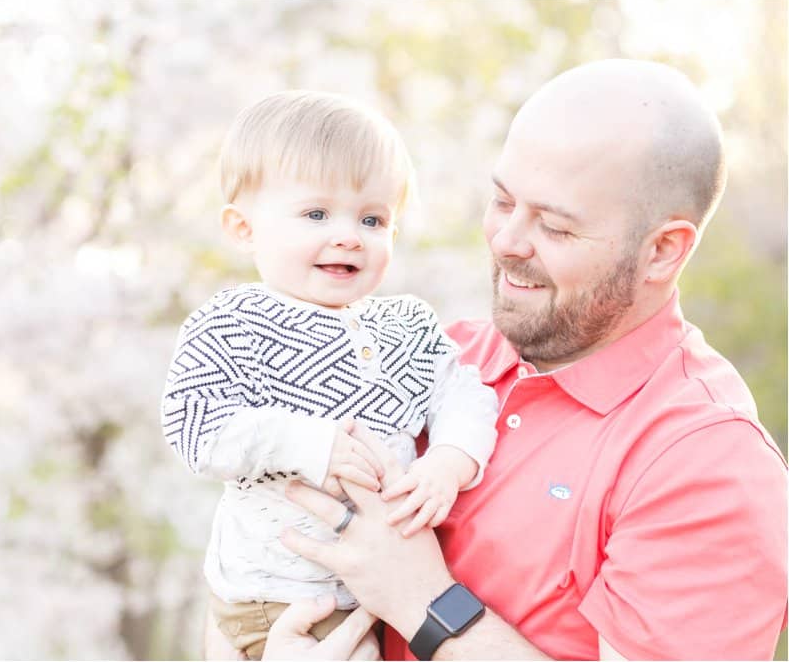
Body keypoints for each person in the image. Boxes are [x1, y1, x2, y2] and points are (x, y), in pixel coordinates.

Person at [205, 59, 789, 660]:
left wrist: (423, 600)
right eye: (503, 201)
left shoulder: (707, 465)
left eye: (556, 227)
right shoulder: (433, 355)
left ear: (663, 250)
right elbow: (249, 566)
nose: (507, 241)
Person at [161, 91, 499, 660]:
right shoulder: (234, 323)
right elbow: (196, 428)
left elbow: (465, 391)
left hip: (376, 592)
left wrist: (450, 458)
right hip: (280, 597)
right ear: (244, 229)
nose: (349, 235)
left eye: (372, 219)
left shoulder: (405, 325)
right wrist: (313, 444)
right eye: (317, 214)